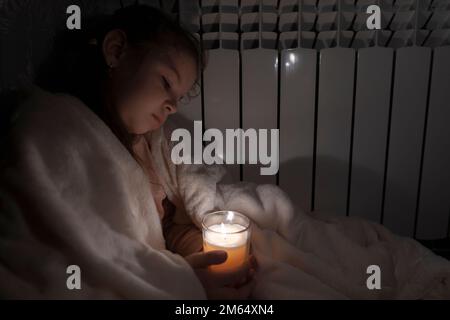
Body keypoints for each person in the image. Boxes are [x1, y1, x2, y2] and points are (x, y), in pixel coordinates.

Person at [14, 4, 256, 299]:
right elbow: (85, 254)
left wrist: (201, 253)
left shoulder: (147, 147)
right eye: (166, 82)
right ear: (116, 51)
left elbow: (166, 229)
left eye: (179, 97)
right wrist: (182, 282)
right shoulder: (57, 126)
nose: (173, 106)